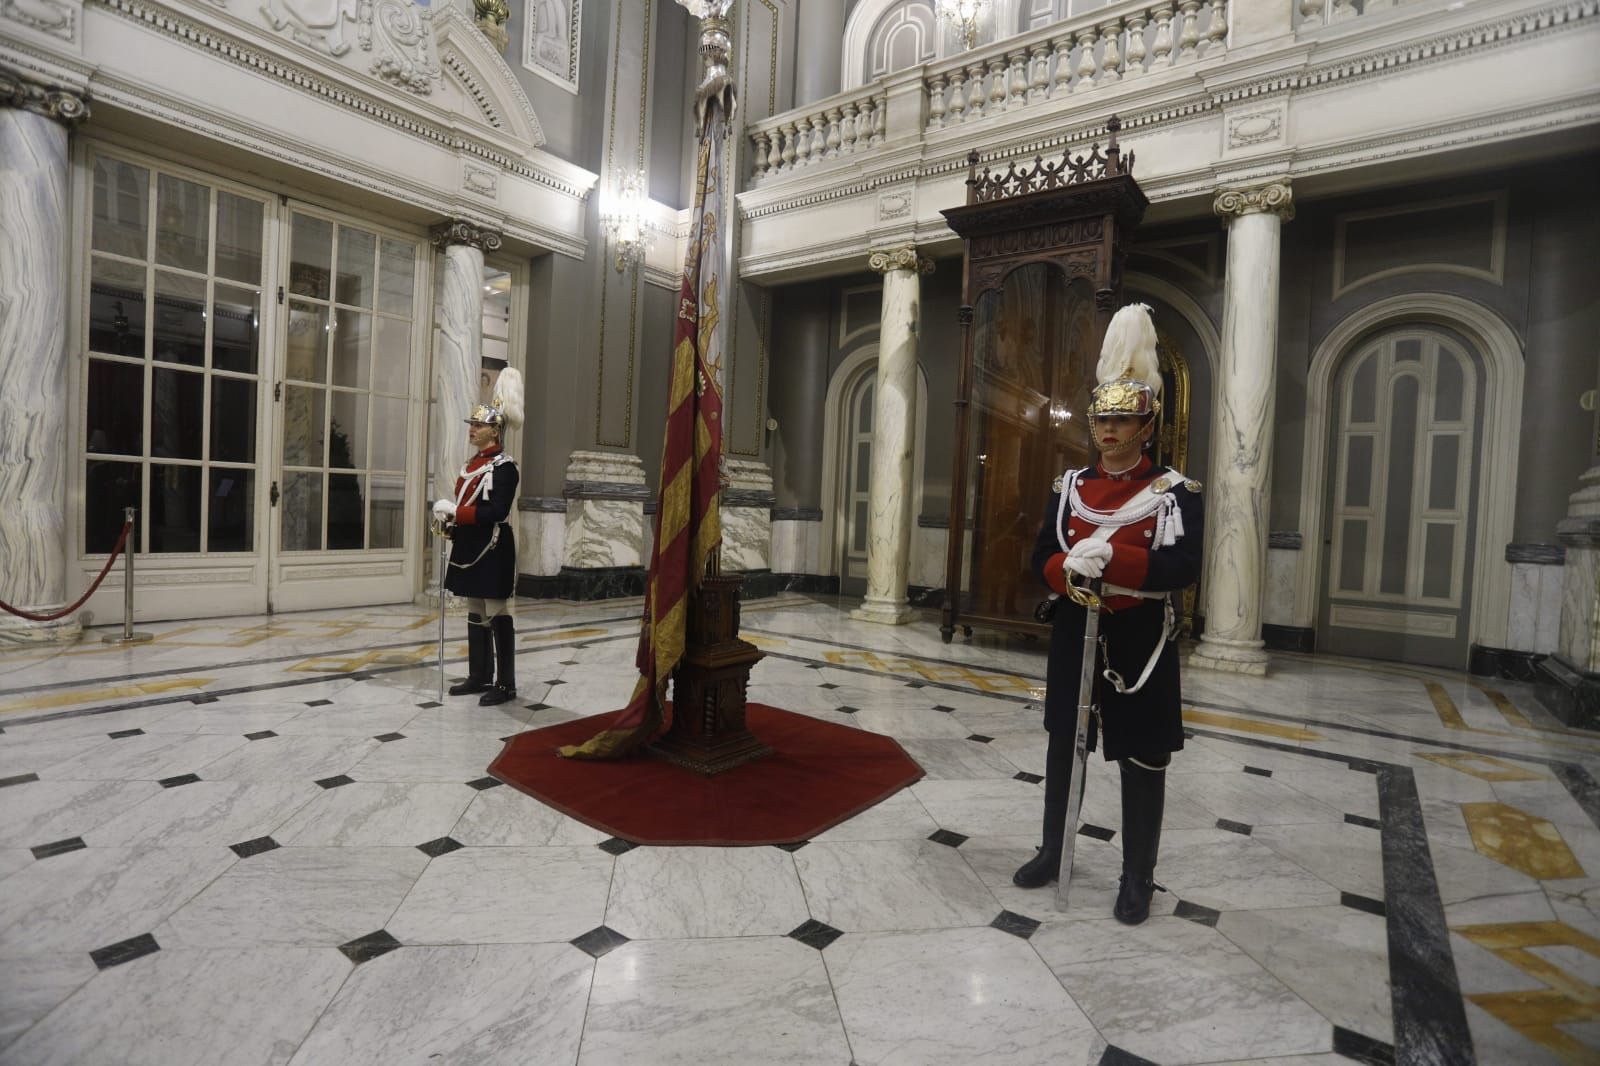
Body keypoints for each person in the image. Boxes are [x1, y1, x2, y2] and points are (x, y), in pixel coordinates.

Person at [1011, 303, 1204, 925]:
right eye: (1102, 420)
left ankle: (1137, 876)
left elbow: (1181, 569)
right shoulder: (1067, 488)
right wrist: (1069, 571)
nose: (1109, 432)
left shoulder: (1175, 494)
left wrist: (1113, 559)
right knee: (1064, 743)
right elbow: (1043, 553)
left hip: (1140, 636)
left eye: (1123, 421)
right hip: (1076, 625)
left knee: (1143, 753)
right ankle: (1051, 848)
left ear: (1145, 426)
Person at [432, 369, 524, 706]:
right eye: (471, 424)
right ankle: (479, 674)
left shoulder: (504, 467)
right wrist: (449, 523)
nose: (472, 429)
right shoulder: (471, 464)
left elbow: (497, 511)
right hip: (470, 542)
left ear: (494, 430)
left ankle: (506, 683)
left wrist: (458, 513)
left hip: (493, 544)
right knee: (474, 608)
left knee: (496, 610)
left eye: (478, 425)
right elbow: (465, 506)